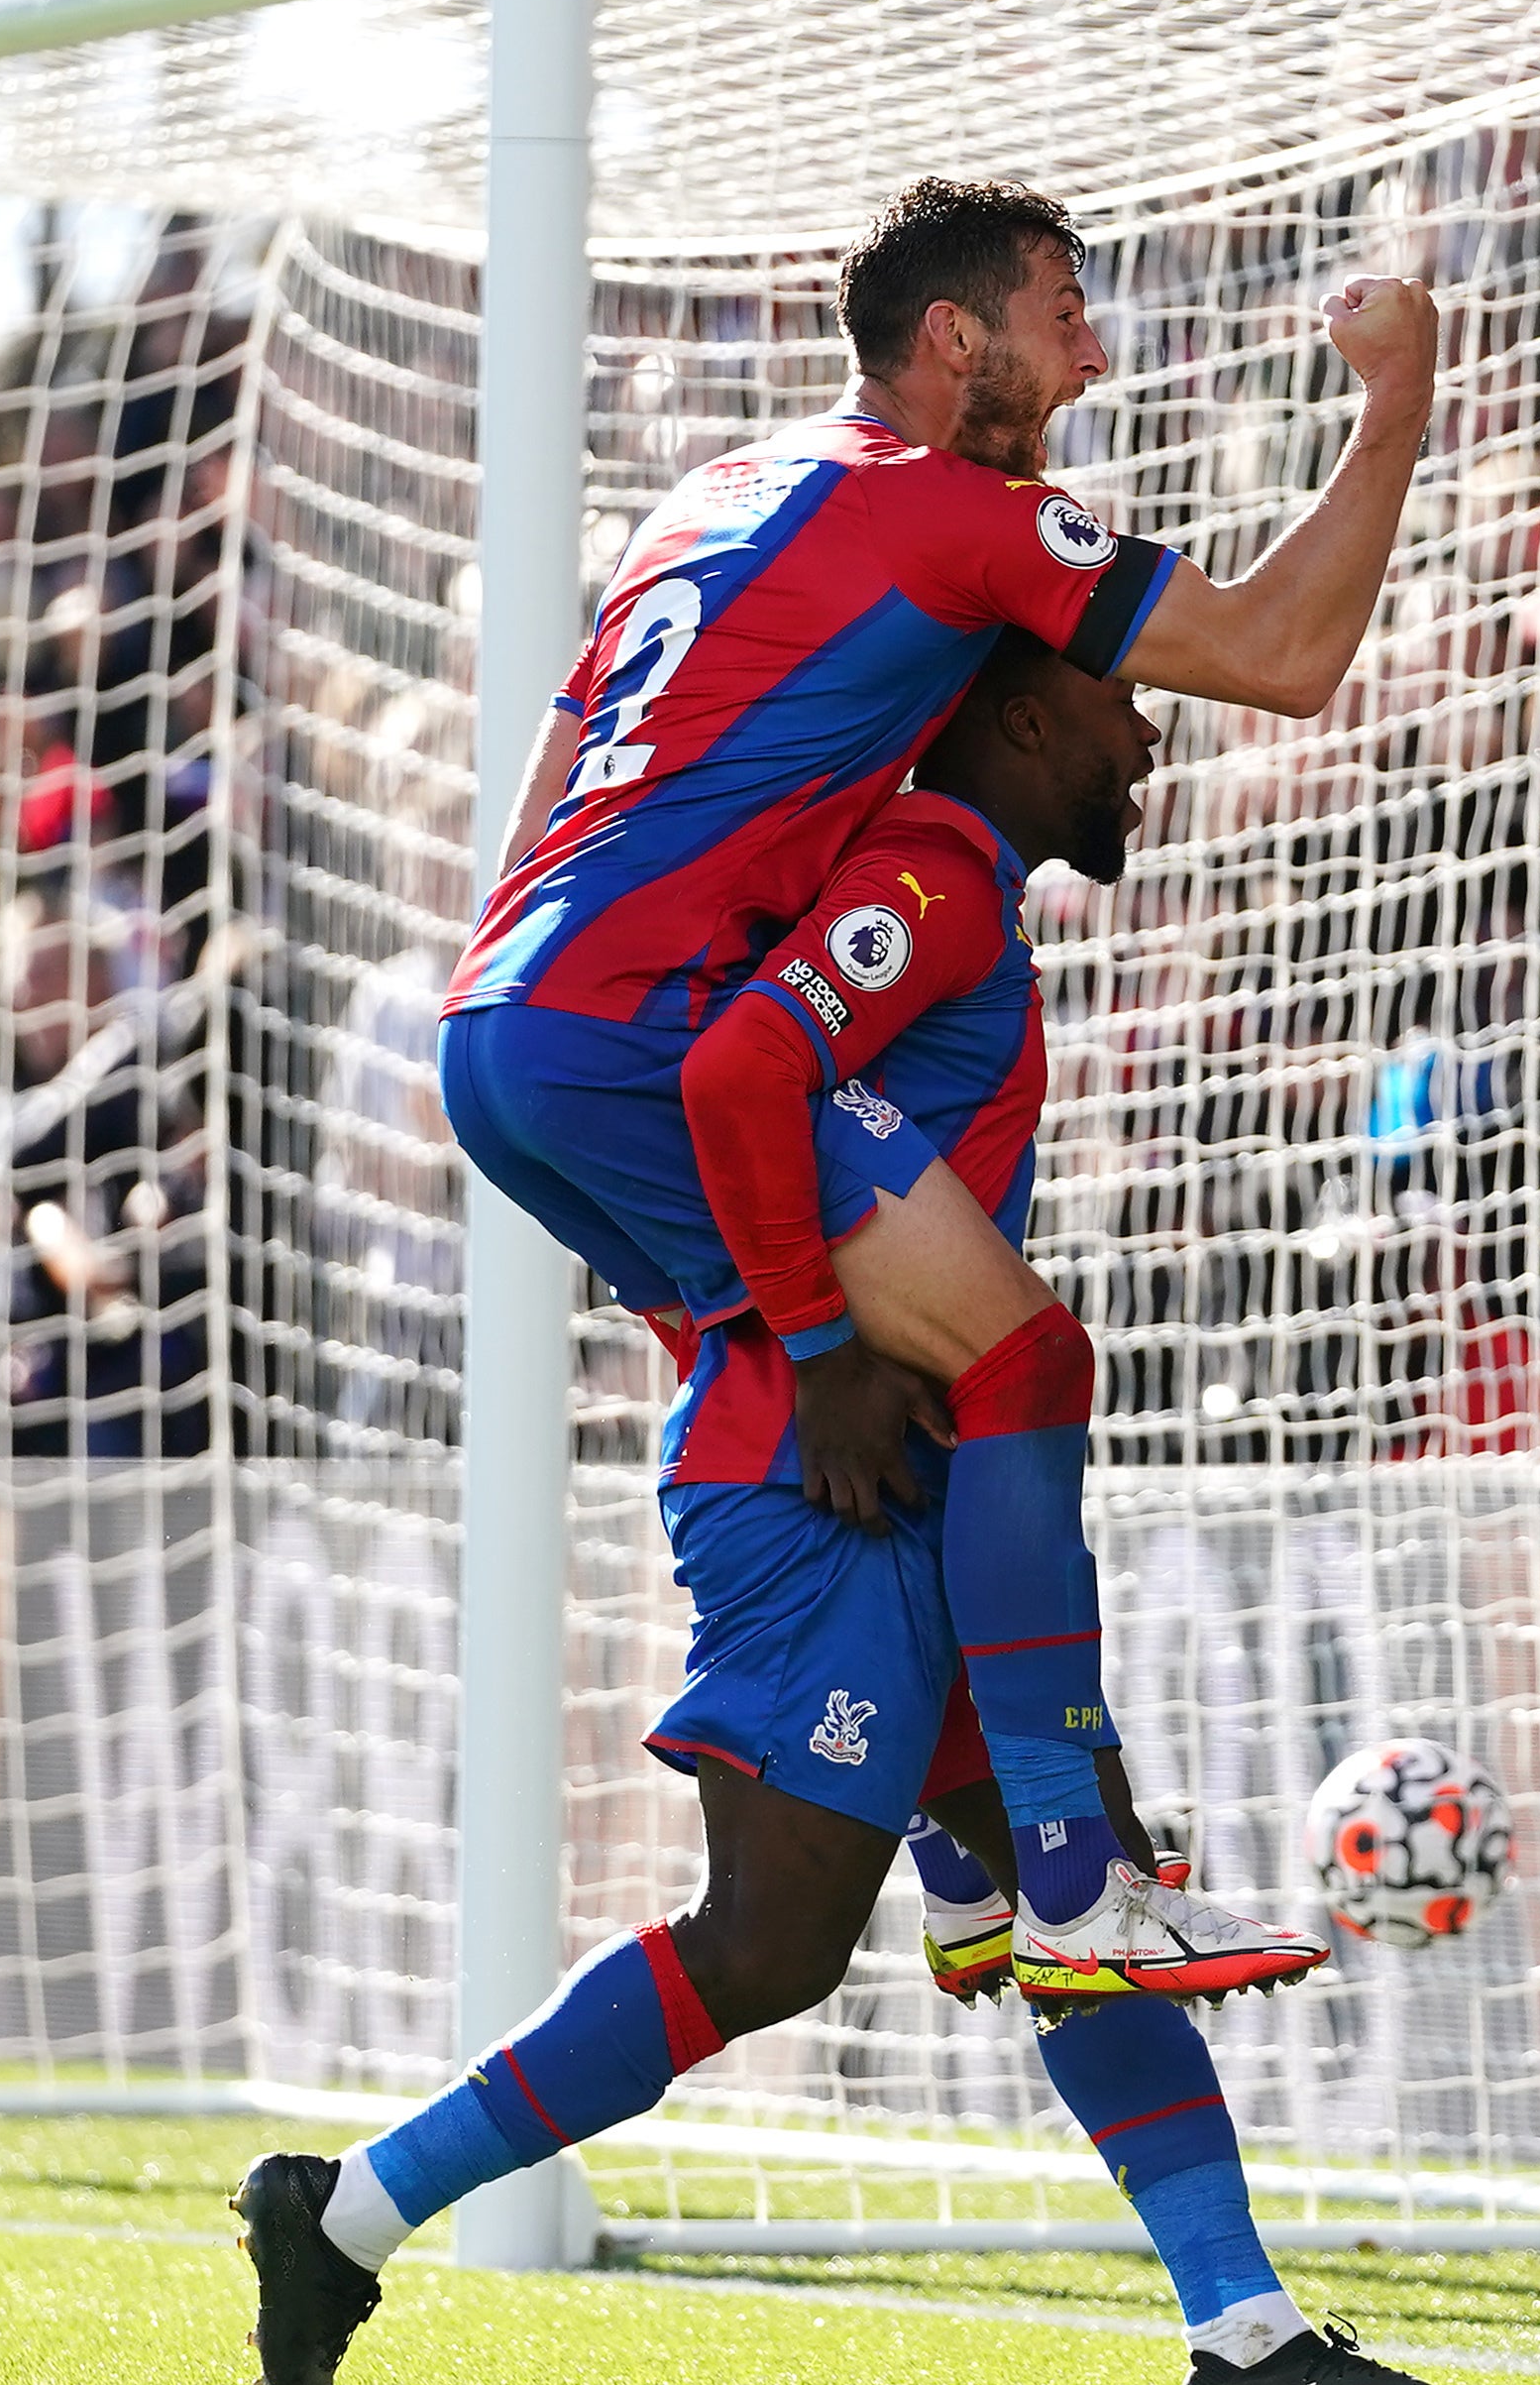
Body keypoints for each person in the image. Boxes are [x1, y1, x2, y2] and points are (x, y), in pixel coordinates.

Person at [244, 632, 1481, 2385]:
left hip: (923, 1480)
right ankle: (344, 2210)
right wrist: (818, 1355)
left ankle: (1242, 2327)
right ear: (1017, 710)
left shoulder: (946, 881)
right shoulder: (919, 875)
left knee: (1084, 1904)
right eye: (1125, 706)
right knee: (767, 1942)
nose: (1145, 741)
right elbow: (740, 1074)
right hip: (815, 1477)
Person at [440, 174, 1428, 2001]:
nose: (1091, 353)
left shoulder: (707, 493)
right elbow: (1283, 655)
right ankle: (1058, 1864)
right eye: (1061, 312)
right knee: (1012, 1360)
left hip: (498, 1026)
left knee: (888, 1400)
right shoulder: (955, 513)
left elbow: (565, 753)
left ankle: (984, 1859)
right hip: (645, 1032)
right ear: (951, 338)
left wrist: (534, 980)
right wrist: (1395, 404)